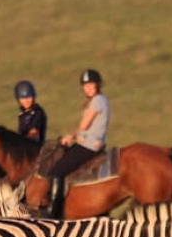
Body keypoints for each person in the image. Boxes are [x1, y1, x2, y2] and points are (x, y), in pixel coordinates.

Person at [43, 69, 110, 218]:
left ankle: (52, 213)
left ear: (97, 85)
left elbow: (84, 125)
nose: (88, 88)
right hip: (89, 143)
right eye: (85, 86)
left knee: (56, 171)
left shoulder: (97, 100)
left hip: (89, 146)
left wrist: (70, 137)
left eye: (91, 85)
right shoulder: (100, 100)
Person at [14, 80, 47, 144]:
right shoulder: (22, 114)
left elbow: (34, 133)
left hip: (35, 148)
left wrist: (19, 143)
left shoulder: (38, 112)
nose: (26, 101)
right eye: (23, 98)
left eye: (29, 97)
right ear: (18, 100)